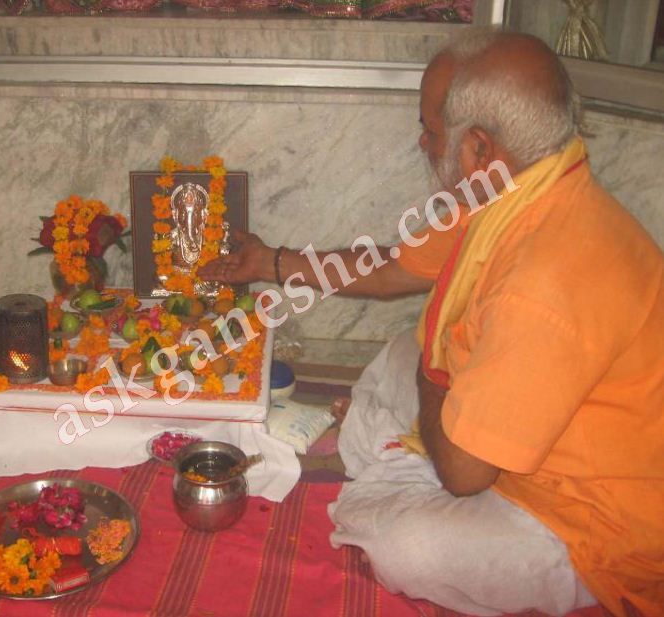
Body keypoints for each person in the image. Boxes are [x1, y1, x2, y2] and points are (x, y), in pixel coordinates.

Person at [199, 29, 664, 617]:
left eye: (430, 129)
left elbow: (467, 474)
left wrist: (433, 370)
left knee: (406, 546)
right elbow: (392, 268)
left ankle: (400, 459)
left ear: (478, 147)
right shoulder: (524, 189)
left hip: (586, 521)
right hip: (501, 420)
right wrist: (269, 262)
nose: (422, 142)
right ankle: (400, 452)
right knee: (401, 350)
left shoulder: (544, 279)